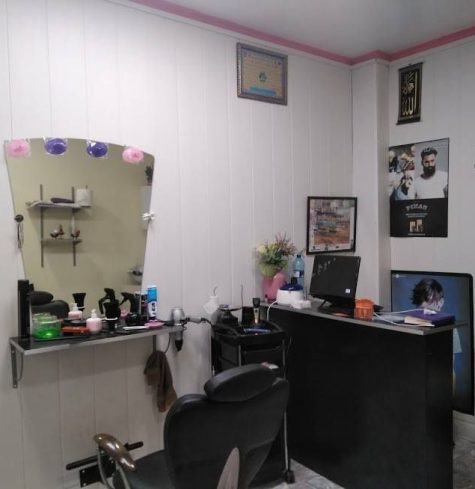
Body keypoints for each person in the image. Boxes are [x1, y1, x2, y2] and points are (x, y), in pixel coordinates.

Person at [411, 278, 461, 390]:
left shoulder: (451, 328)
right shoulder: (412, 324)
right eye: (421, 309)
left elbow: (450, 367)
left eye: (429, 308)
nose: (424, 313)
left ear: (441, 302)